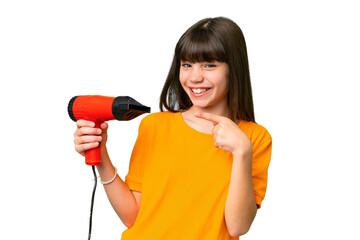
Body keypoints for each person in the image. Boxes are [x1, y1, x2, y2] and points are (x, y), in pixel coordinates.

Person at [73, 17, 272, 240]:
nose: (195, 77)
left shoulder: (254, 138)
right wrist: (101, 156)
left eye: (209, 65)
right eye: (187, 64)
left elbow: (237, 227)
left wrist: (242, 153)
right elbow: (133, 216)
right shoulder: (154, 126)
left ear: (233, 69)